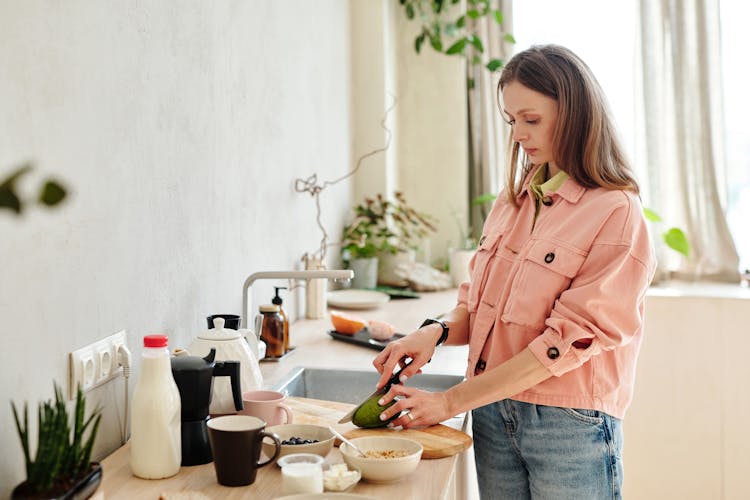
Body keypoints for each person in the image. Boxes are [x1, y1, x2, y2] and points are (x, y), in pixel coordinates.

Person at [373, 44, 656, 500]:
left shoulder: (615, 212)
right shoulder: (514, 201)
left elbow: (564, 344)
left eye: (532, 119)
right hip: (492, 412)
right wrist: (435, 332)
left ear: (575, 114)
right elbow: (479, 305)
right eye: (511, 121)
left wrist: (450, 402)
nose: (518, 134)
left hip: (568, 425)